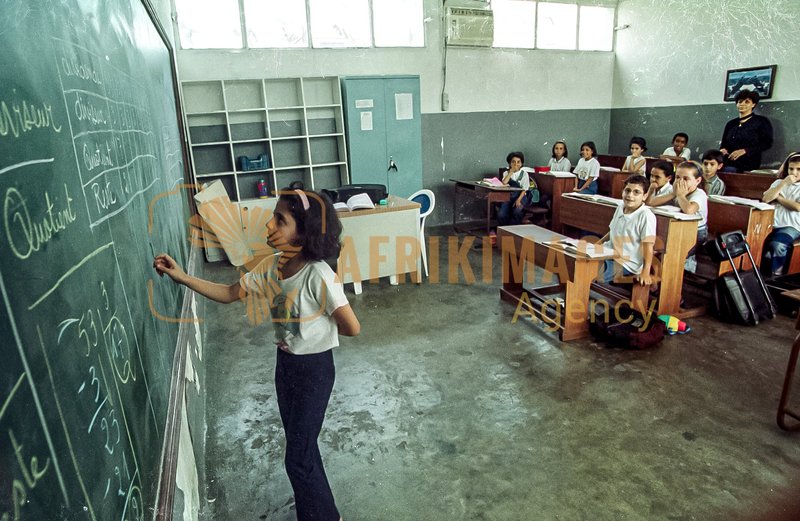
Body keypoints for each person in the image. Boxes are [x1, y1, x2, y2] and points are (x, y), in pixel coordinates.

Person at [154, 186, 360, 521]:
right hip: (286, 366)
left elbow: (352, 326)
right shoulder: (272, 266)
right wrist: (182, 277)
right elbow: (229, 292)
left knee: (298, 459)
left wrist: (315, 327)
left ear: (303, 233)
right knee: (302, 450)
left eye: (280, 220)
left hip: (314, 371)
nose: (269, 226)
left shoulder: (318, 275)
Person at [596, 174, 656, 285]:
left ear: (644, 196)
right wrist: (596, 244)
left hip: (626, 263)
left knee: (589, 269)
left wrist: (645, 272)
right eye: (627, 190)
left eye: (636, 192)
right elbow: (612, 231)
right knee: (577, 259)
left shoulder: (646, 215)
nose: (630, 195)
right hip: (608, 253)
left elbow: (648, 246)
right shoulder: (620, 207)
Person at [761, 152, 800, 277]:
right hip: (771, 223)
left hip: (792, 226)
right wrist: (783, 183)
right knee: (755, 240)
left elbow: (797, 207)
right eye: (791, 169)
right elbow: (766, 198)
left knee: (778, 244)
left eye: (798, 169)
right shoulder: (778, 182)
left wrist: (778, 198)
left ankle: (776, 274)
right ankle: (758, 273)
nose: (794, 173)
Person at [720, 89, 773, 172]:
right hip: (727, 161)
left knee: (730, 170)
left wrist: (745, 151)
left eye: (747, 102)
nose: (742, 104)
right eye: (740, 102)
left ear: (753, 104)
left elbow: (767, 143)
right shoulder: (731, 123)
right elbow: (724, 144)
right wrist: (723, 150)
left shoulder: (761, 121)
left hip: (748, 163)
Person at [497, 151, 539, 225]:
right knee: (501, 214)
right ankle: (506, 228)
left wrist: (518, 200)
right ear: (510, 163)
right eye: (513, 162)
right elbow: (504, 182)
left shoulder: (524, 174)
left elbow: (525, 189)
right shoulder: (506, 173)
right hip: (509, 196)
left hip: (521, 196)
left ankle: (515, 228)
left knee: (517, 211)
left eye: (518, 162)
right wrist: (511, 172)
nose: (516, 164)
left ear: (521, 164)